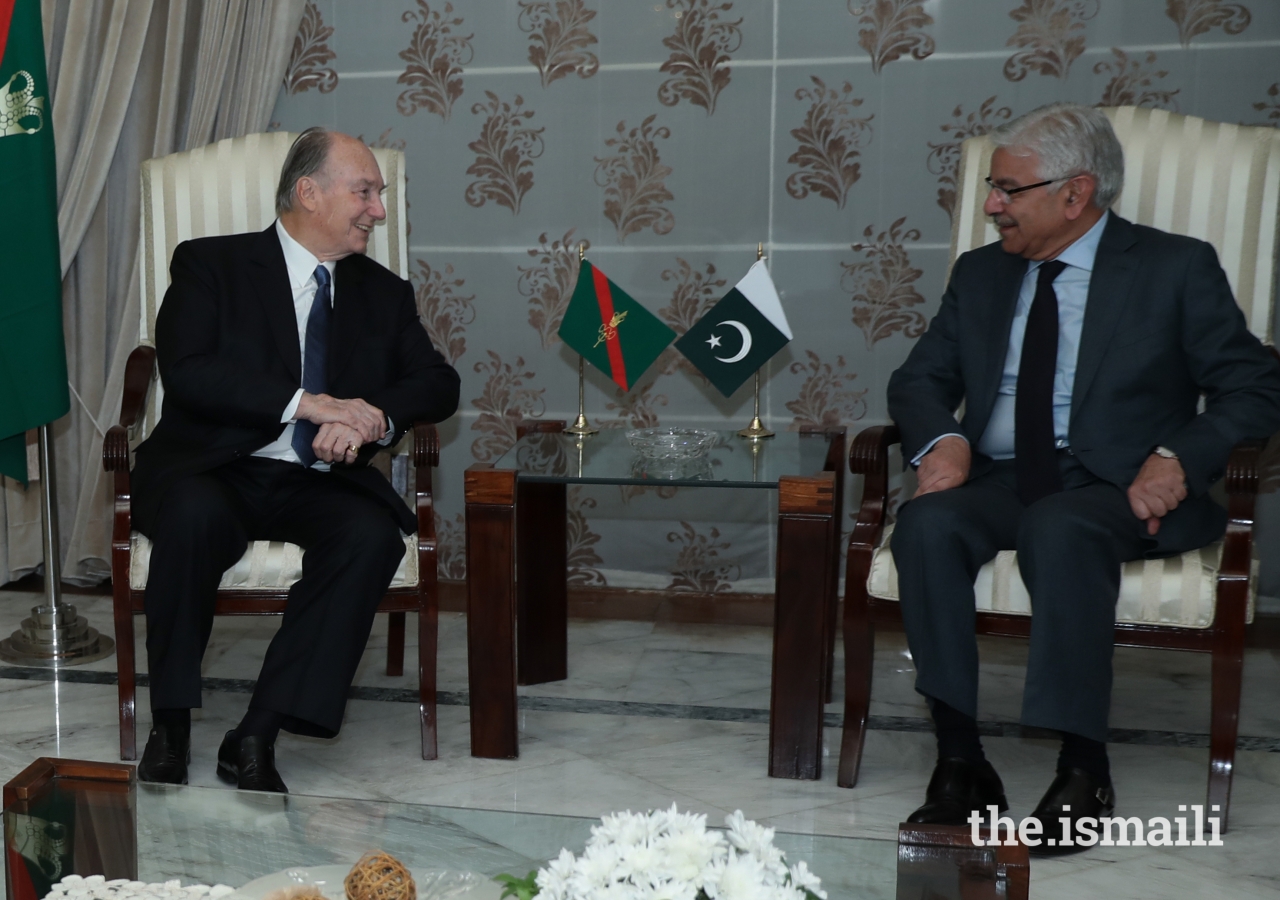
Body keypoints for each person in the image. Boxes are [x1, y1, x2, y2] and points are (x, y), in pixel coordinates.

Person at [887, 102, 1280, 853]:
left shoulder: (1174, 267)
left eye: (1009, 190)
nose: (992, 205)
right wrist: (945, 440)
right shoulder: (981, 274)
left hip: (1118, 484)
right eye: (992, 188)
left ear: (1076, 194)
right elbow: (918, 380)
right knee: (927, 524)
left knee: (1060, 526)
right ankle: (961, 761)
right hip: (1000, 474)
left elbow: (1256, 387)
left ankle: (1082, 769)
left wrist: (1180, 456)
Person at [131, 127, 460, 792]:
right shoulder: (209, 265)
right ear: (308, 193)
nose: (379, 210)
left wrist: (372, 416)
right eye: (364, 192)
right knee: (191, 518)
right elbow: (190, 372)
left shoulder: (382, 292)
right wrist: (309, 405)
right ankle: (170, 723)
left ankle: (257, 729)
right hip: (214, 465)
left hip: (314, 477)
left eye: (379, 194)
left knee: (369, 536)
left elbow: (438, 384)